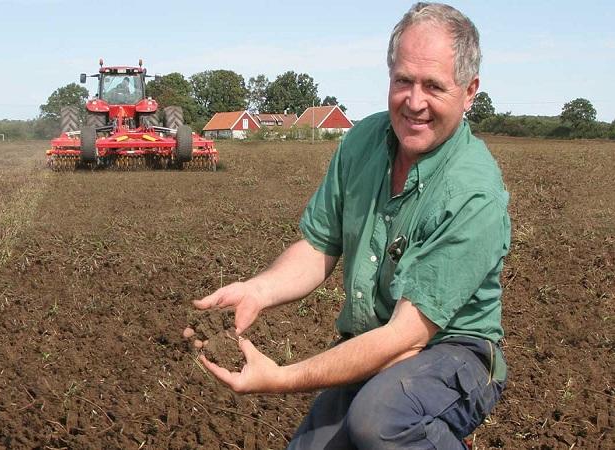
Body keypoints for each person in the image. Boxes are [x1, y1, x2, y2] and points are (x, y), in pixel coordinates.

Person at [194, 3, 510, 449]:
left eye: (433, 86)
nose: (414, 102)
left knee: (379, 421)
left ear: (469, 90)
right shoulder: (363, 141)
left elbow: (405, 336)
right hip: (376, 342)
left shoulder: (472, 193)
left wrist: (283, 377)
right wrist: (258, 290)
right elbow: (319, 244)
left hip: (456, 354)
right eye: (403, 80)